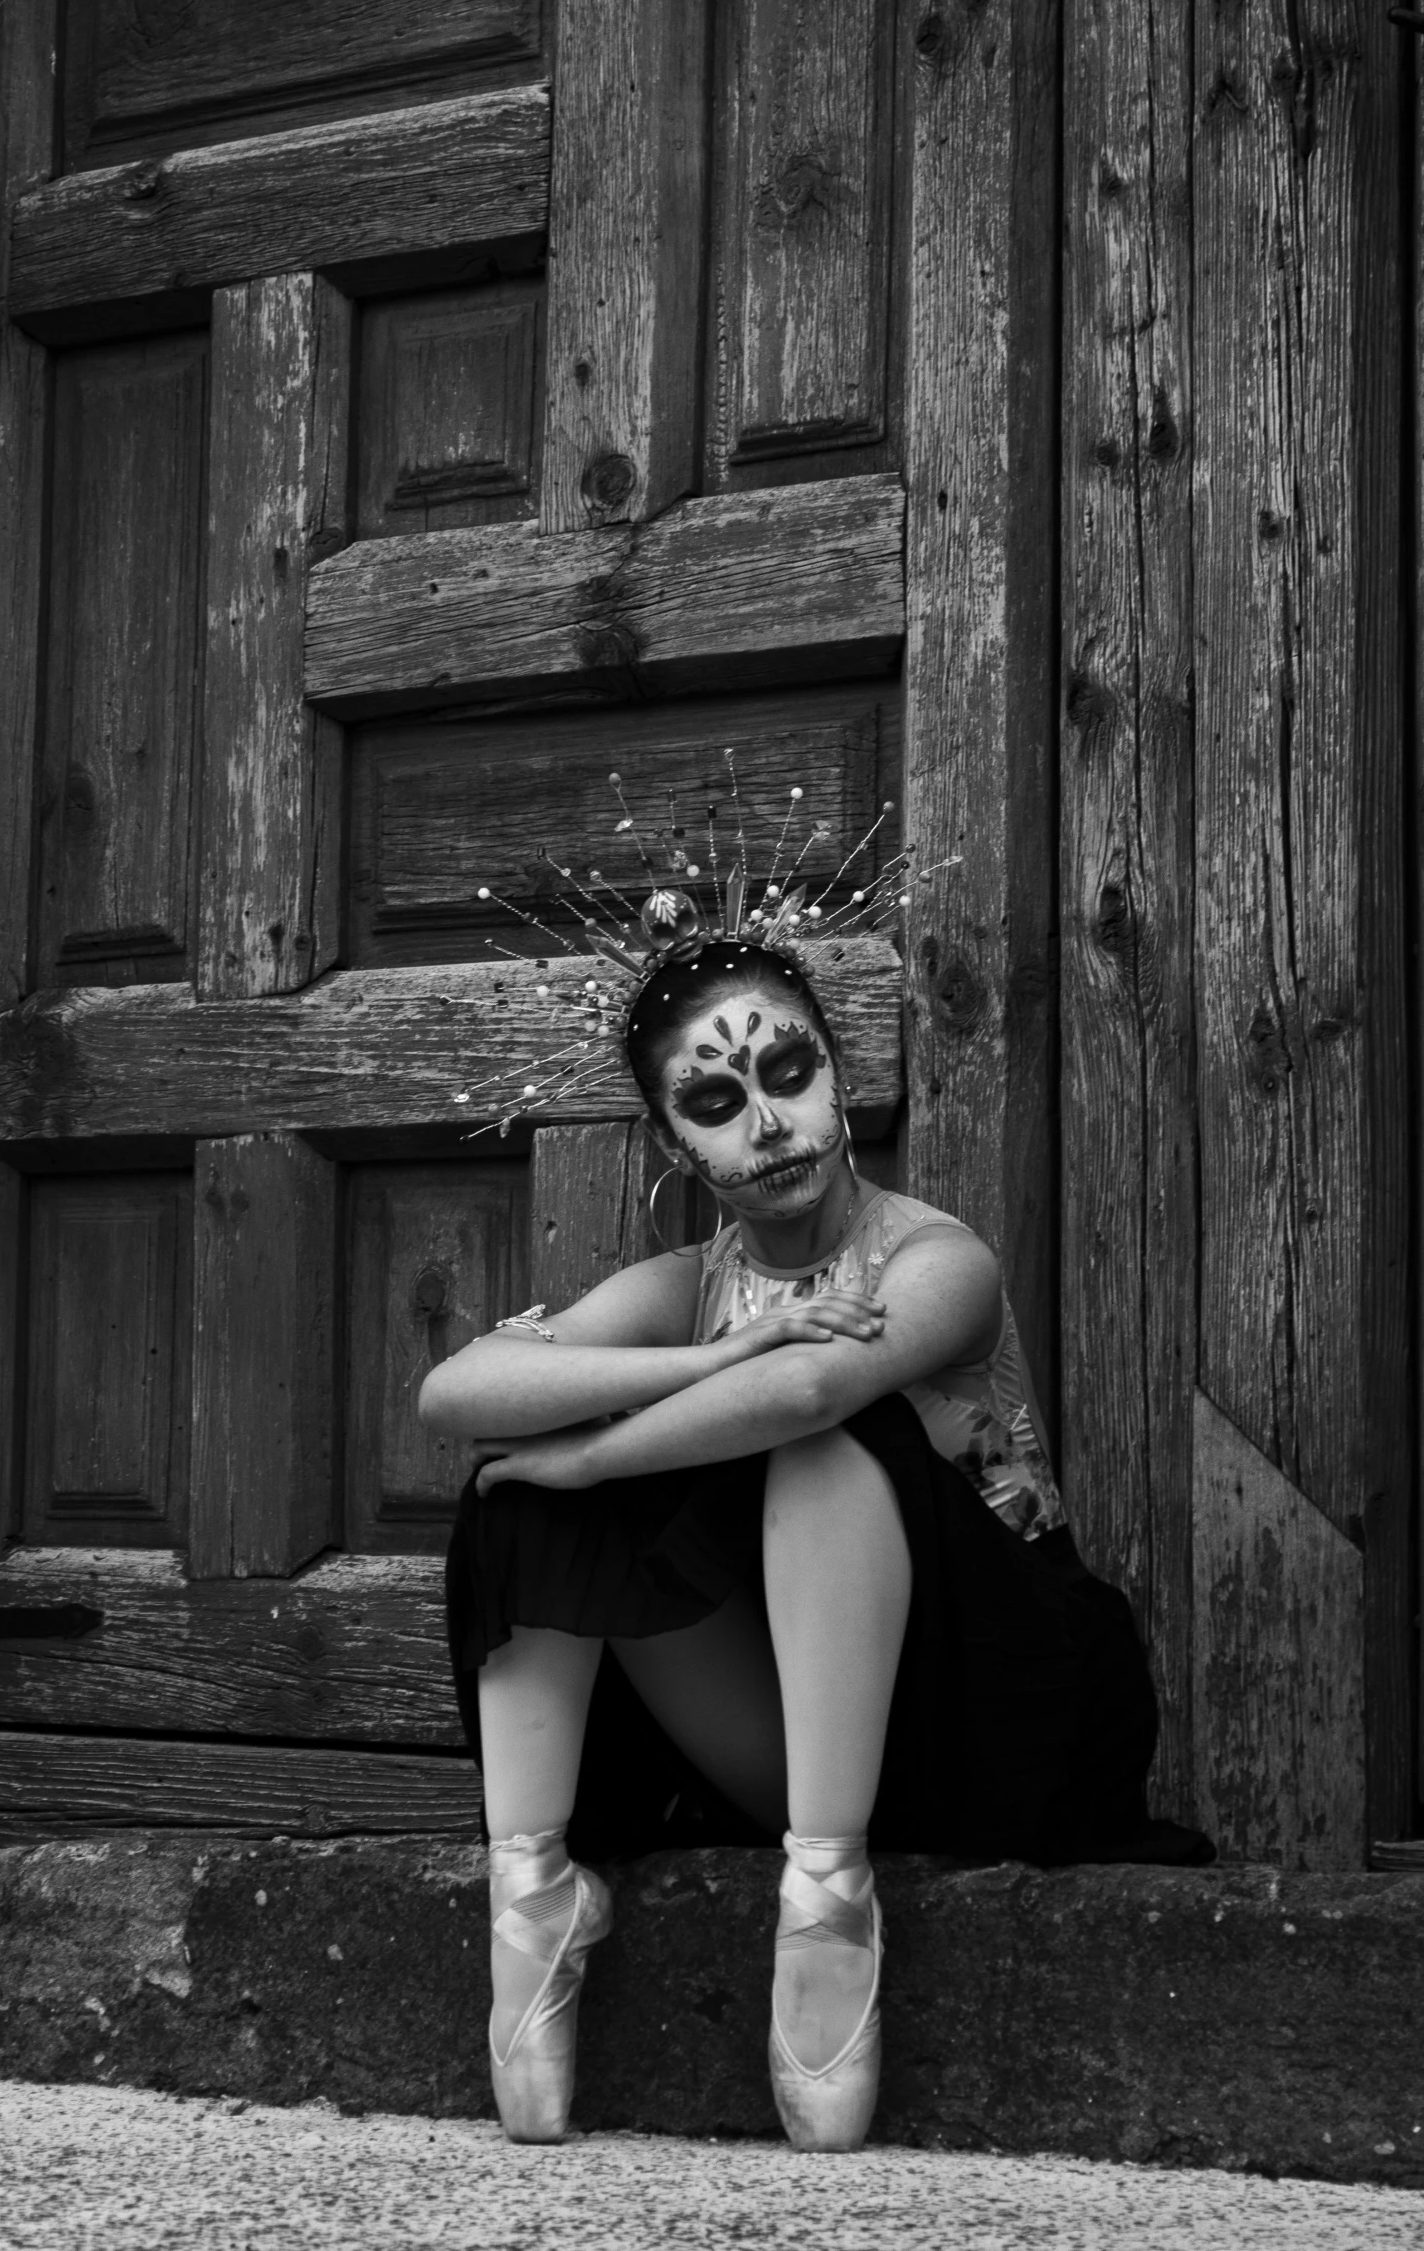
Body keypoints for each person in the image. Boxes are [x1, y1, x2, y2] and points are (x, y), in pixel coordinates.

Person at [420, 919, 1210, 2154]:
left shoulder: (939, 1258)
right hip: (794, 1734)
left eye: (787, 1073)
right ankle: (532, 1901)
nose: (767, 1121)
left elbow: (806, 1395)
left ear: (839, 1071)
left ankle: (830, 1907)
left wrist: (590, 1449)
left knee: (809, 1442)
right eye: (715, 1099)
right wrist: (714, 1350)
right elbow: (453, 1391)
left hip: (1002, 1720)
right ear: (671, 1138)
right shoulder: (695, 1283)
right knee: (519, 1500)